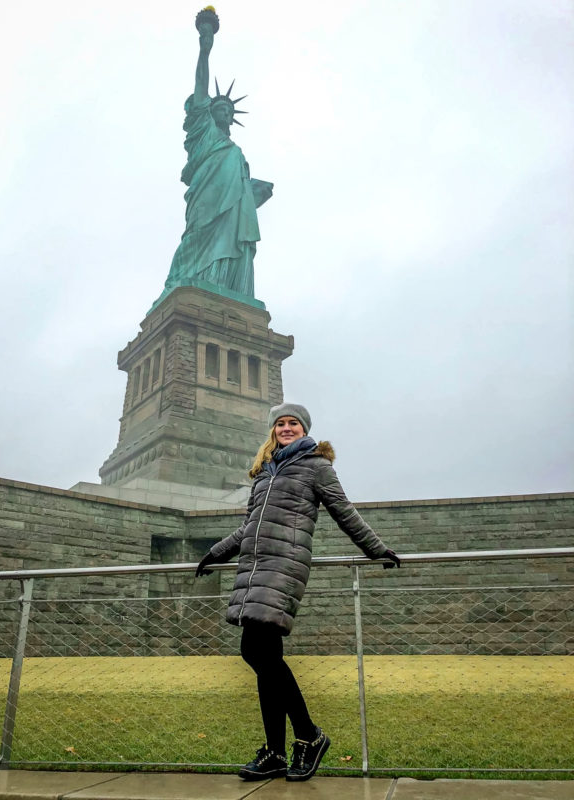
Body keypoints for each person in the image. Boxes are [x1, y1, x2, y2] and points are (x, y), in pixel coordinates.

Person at [195, 403, 400, 782]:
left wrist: (376, 549)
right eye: (280, 423)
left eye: (293, 423)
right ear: (272, 431)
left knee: (255, 652)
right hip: (254, 567)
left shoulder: (316, 465)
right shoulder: (264, 473)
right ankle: (275, 752)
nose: (286, 428)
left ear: (304, 429)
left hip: (283, 567)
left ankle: (309, 735)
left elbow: (343, 510)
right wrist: (215, 552)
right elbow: (248, 528)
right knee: (264, 658)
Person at [150, 16, 273, 311]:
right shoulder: (203, 132)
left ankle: (227, 290)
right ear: (208, 112)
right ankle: (184, 284)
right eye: (218, 107)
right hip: (206, 198)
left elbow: (242, 187)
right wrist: (205, 46)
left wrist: (254, 192)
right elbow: (201, 84)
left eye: (228, 110)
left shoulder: (236, 152)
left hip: (234, 209)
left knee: (235, 244)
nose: (224, 111)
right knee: (194, 239)